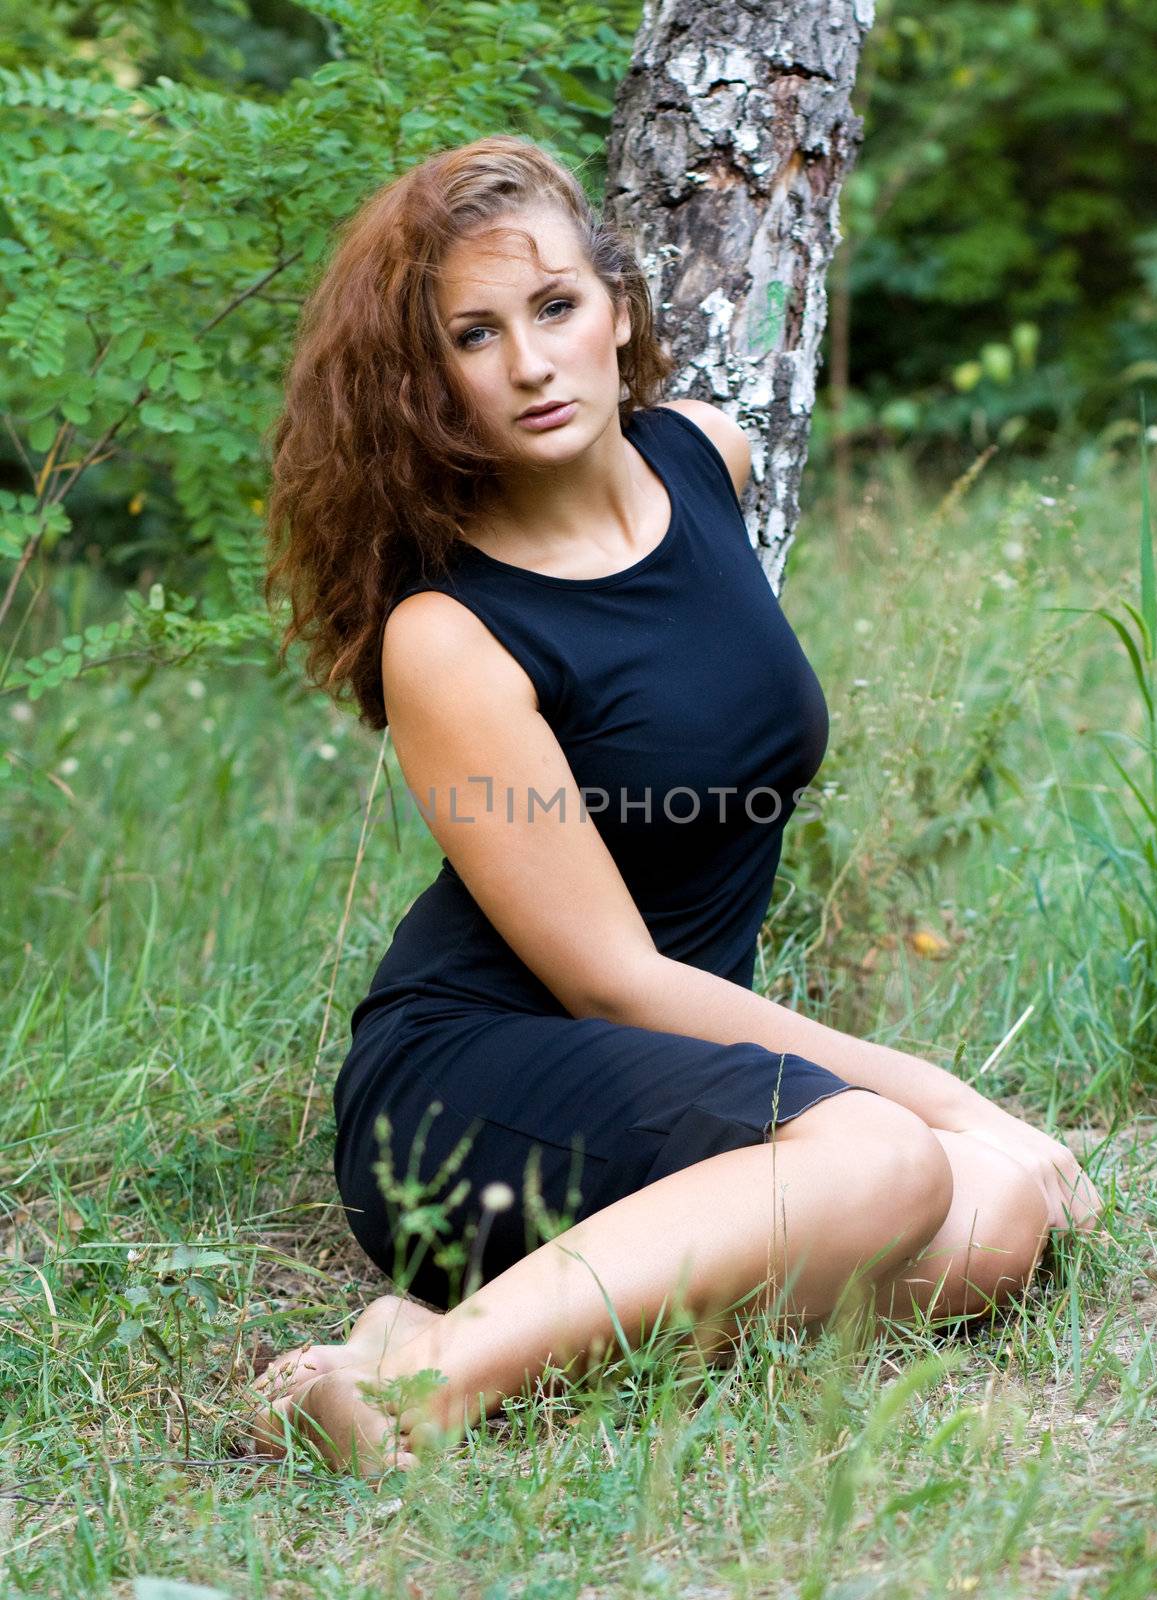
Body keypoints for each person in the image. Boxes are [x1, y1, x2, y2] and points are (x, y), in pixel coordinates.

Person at [249, 134, 1103, 1475]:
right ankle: (421, 1380)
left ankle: (455, 1333)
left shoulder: (704, 460)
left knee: (989, 1226)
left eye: (553, 307)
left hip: (678, 1086)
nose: (528, 363)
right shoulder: (449, 633)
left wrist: (948, 1135)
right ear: (427, 382)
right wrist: (946, 1096)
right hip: (475, 1085)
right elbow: (609, 980)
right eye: (473, 335)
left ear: (619, 307)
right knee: (893, 1159)